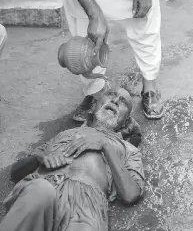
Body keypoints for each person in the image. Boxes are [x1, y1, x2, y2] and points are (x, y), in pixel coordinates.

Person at [0, 87, 145, 231]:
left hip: (87, 206)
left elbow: (131, 194)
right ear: (95, 106)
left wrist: (105, 145)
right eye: (111, 94)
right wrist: (39, 157)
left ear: (126, 122)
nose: (115, 100)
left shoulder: (128, 149)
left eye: (123, 102)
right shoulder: (66, 133)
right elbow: (15, 173)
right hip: (44, 185)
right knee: (39, 191)